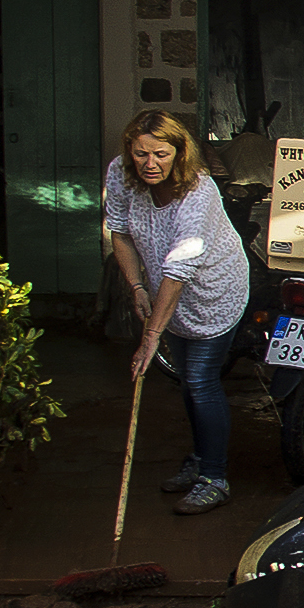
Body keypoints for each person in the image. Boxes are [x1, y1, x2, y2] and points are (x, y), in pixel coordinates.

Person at [105, 109, 249, 513]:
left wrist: (150, 336)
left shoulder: (197, 190)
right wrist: (135, 284)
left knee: (201, 379)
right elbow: (119, 231)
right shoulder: (121, 173)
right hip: (166, 289)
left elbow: (182, 265)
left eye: (161, 154)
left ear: (179, 153)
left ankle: (215, 477)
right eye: (141, 154)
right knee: (187, 380)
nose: (150, 164)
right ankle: (201, 459)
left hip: (213, 288)